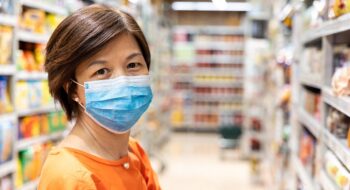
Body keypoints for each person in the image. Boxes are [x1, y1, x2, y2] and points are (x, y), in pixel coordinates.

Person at [38, 4, 161, 190]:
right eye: (102, 71)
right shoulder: (70, 176)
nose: (123, 81)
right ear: (71, 88)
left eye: (133, 65)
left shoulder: (133, 151)